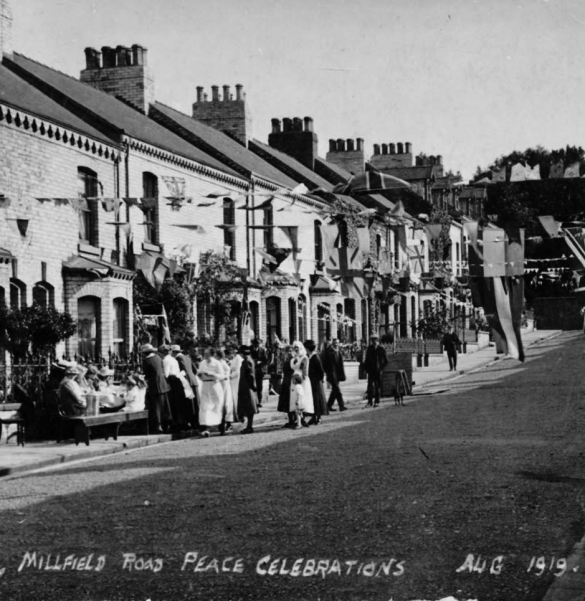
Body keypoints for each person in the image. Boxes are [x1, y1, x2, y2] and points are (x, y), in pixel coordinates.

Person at [142, 343, 172, 434]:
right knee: (164, 406)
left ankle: (157, 426)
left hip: (154, 386)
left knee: (156, 407)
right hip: (163, 385)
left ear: (145, 353)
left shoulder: (147, 360)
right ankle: (166, 425)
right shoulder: (158, 358)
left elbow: (146, 373)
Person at [197, 347, 225, 438]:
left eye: (207, 354)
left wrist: (213, 375)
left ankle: (221, 427)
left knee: (217, 406)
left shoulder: (217, 363)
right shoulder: (202, 363)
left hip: (214, 386)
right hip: (205, 385)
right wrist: (200, 375)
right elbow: (199, 372)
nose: (205, 356)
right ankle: (205, 428)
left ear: (212, 354)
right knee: (205, 407)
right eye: (205, 354)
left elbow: (222, 376)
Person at [172, 344, 197, 429]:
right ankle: (194, 421)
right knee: (193, 403)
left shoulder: (178, 358)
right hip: (193, 380)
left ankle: (188, 422)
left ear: (174, 352)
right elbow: (195, 370)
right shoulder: (187, 357)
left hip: (186, 382)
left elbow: (183, 370)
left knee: (187, 404)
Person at [289, 340, 314, 425]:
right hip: (295, 379)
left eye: (297, 348)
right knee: (296, 399)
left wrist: (302, 378)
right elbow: (292, 366)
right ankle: (299, 419)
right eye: (295, 348)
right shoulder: (294, 358)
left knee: (302, 399)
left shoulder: (304, 358)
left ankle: (302, 419)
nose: (296, 350)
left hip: (302, 379)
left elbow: (304, 369)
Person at [304, 339, 328, 425]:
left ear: (308, 348)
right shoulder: (309, 357)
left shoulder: (315, 357)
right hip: (311, 381)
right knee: (313, 400)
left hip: (316, 382)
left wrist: (320, 380)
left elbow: (321, 371)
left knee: (317, 400)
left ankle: (318, 417)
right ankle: (315, 417)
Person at [237, 345, 259, 434]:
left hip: (248, 387)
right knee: (248, 407)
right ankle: (248, 426)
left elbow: (251, 375)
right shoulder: (246, 361)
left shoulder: (247, 361)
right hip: (245, 386)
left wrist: (253, 386)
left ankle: (249, 427)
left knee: (250, 408)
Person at [322, 338, 347, 412]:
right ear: (332, 343)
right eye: (335, 343)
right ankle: (341, 405)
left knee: (334, 391)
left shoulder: (338, 351)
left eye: (338, 343)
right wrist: (327, 372)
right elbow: (324, 363)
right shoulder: (329, 352)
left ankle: (328, 405)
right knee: (337, 390)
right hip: (332, 374)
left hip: (338, 374)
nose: (336, 344)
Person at [364, 335, 388, 407]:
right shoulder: (369, 348)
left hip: (378, 371)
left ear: (378, 341)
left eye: (375, 340)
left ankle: (377, 401)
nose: (374, 342)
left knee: (377, 386)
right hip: (371, 371)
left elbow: (386, 361)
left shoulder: (381, 349)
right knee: (370, 387)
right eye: (372, 340)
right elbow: (367, 360)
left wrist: (381, 368)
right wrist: (366, 369)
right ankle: (369, 402)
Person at [217, 349, 235, 435]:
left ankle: (225, 424)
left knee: (225, 404)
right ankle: (224, 424)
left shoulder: (220, 363)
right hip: (222, 384)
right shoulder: (220, 363)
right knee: (225, 404)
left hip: (224, 384)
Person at [277, 345, 295, 428]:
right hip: (286, 382)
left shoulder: (294, 360)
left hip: (291, 382)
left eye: (291, 351)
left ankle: (294, 420)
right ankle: (290, 420)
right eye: (288, 351)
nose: (289, 353)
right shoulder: (286, 360)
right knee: (287, 402)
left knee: (292, 401)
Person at [251, 338, 268, 407]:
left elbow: (266, 360)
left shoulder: (262, 350)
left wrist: (260, 362)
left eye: (257, 344)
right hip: (251, 370)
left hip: (259, 371)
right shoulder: (250, 349)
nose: (256, 346)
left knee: (259, 386)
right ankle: (253, 401)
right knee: (252, 385)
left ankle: (259, 401)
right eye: (255, 344)